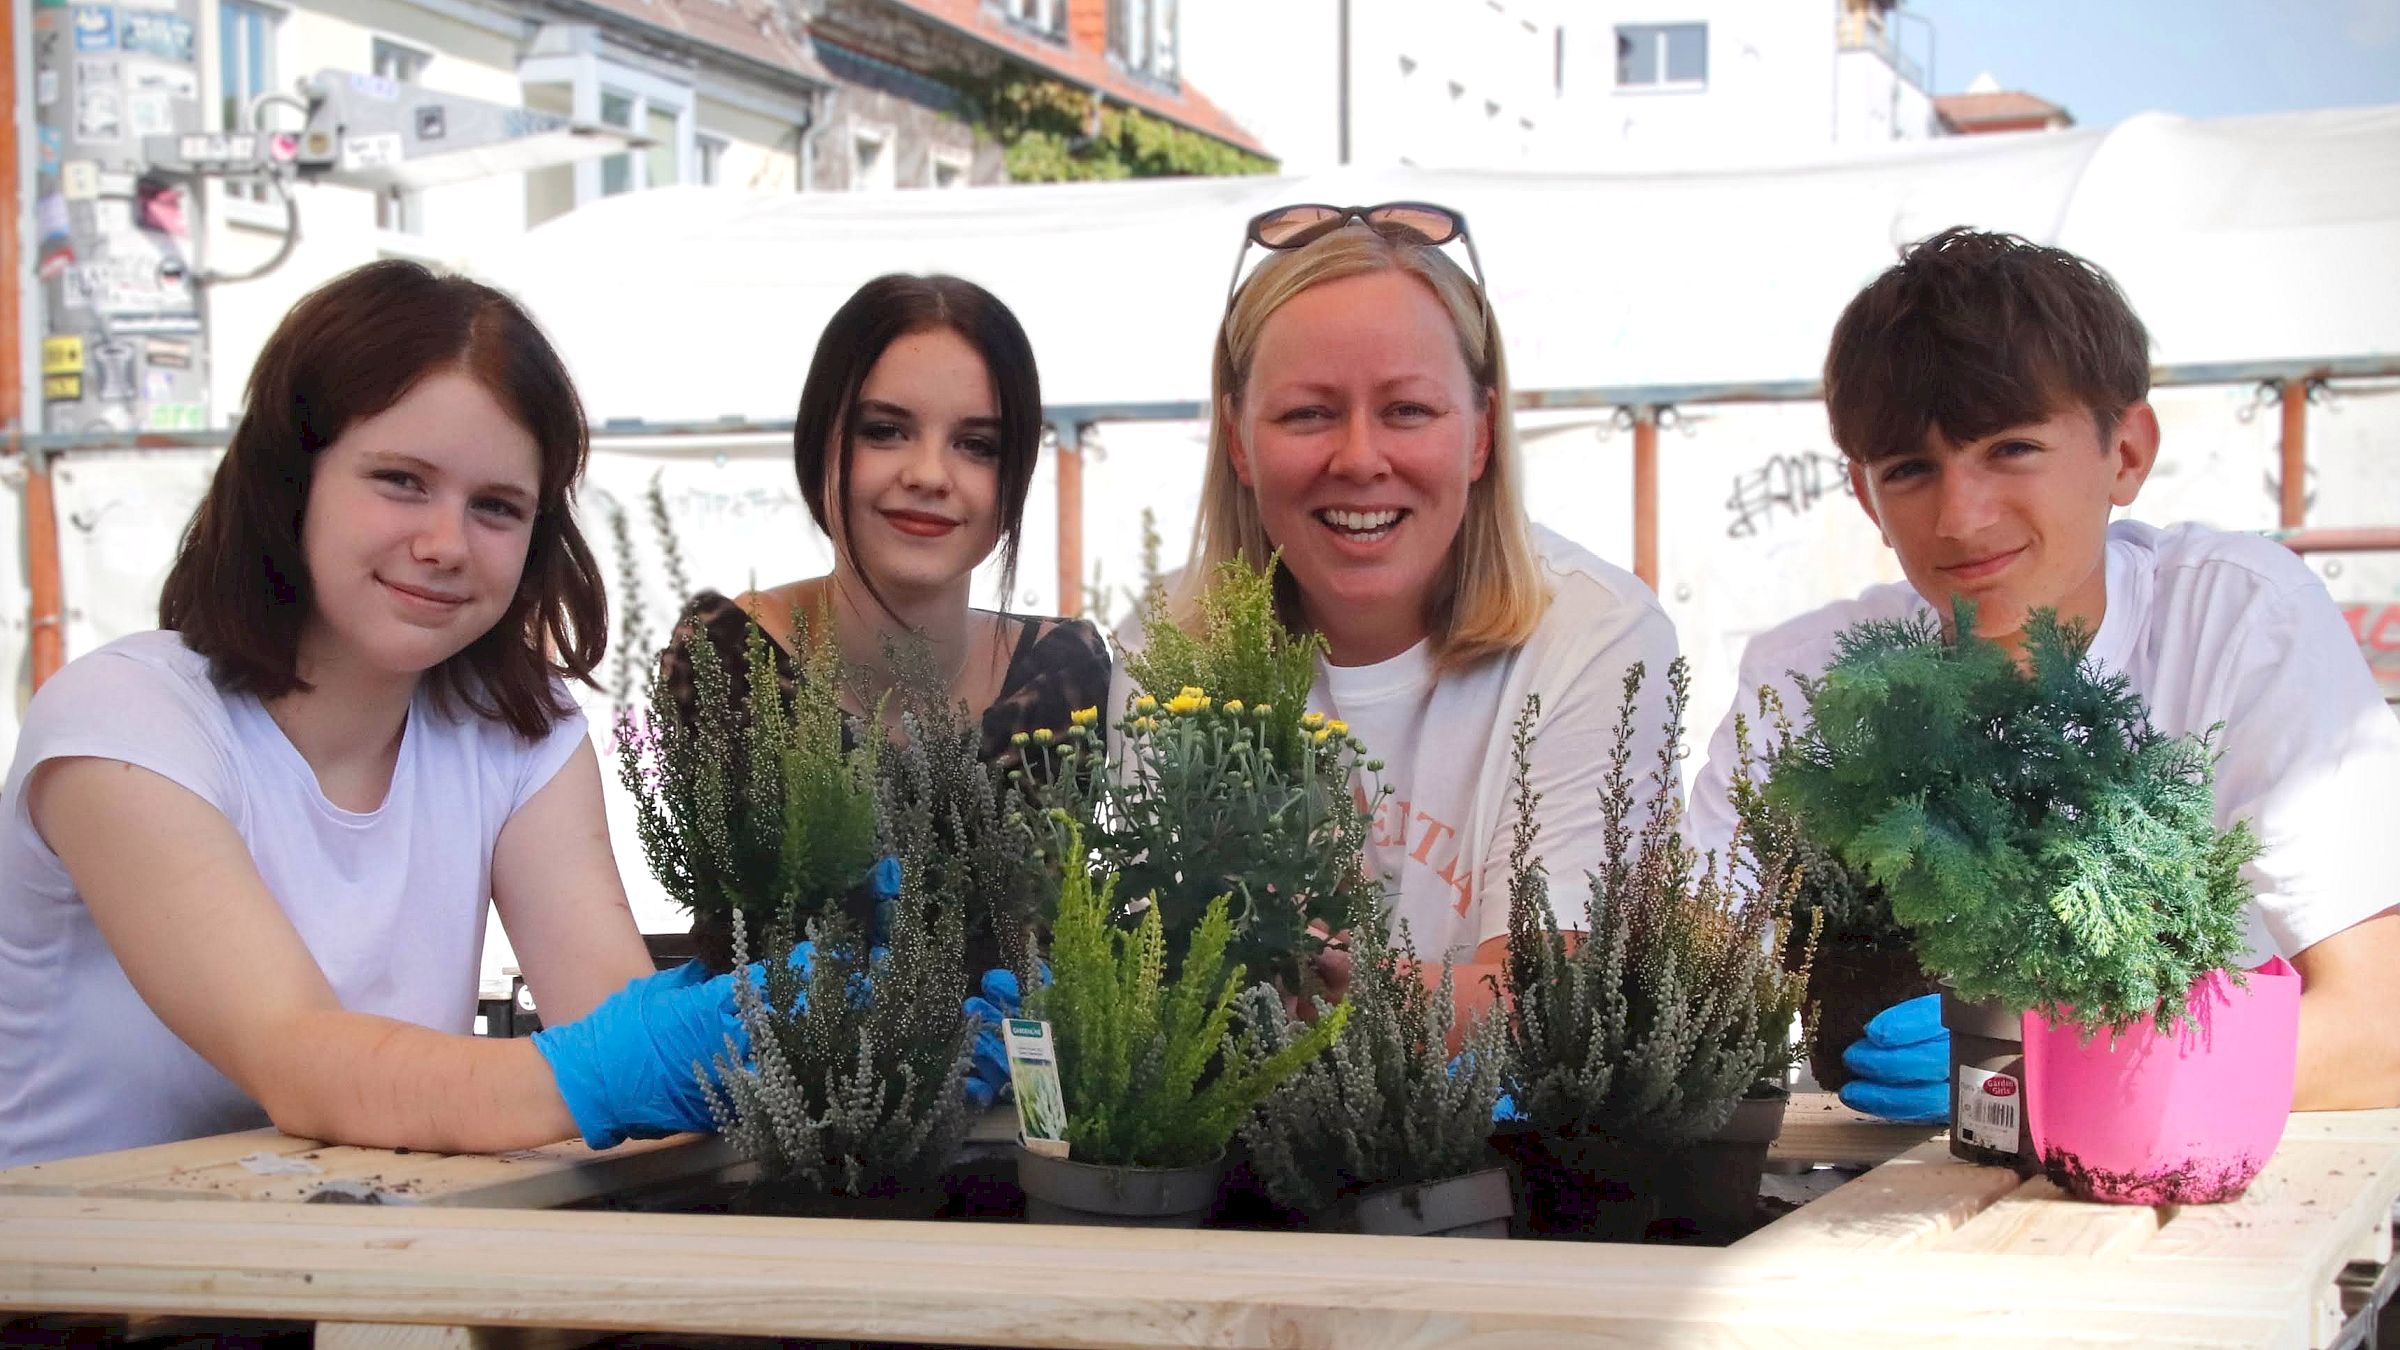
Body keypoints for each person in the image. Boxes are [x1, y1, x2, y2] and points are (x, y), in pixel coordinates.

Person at [0, 261, 749, 1168]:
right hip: (74, 1295)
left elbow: (615, 1028)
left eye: (497, 508)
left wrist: (849, 1034)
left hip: (358, 1262)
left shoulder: (519, 731)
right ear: (292, 481)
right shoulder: (126, 719)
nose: (444, 545)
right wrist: (633, 1063)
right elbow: (304, 1066)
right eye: (400, 480)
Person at [1687, 228, 2400, 1113]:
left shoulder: (2236, 619)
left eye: (2011, 448)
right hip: (1886, 1195)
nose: (1960, 515)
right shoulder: (1808, 679)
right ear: (1867, 498)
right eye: (1911, 469)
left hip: (2191, 1190)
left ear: (2127, 453)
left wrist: (2054, 1072)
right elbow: (1687, 983)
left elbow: (2384, 1025)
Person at [1162, 201, 1679, 1018]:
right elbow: (1148, 983)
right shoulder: (1166, 651)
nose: (1361, 458)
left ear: (1480, 433)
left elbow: (1552, 997)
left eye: (1407, 410)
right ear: (1237, 440)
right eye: (1308, 414)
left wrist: (1328, 997)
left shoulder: (1594, 638)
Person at [658, 273, 1108, 779]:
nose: (930, 475)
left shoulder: (1061, 678)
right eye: (884, 432)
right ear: (817, 446)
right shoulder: (729, 662)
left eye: (978, 445)